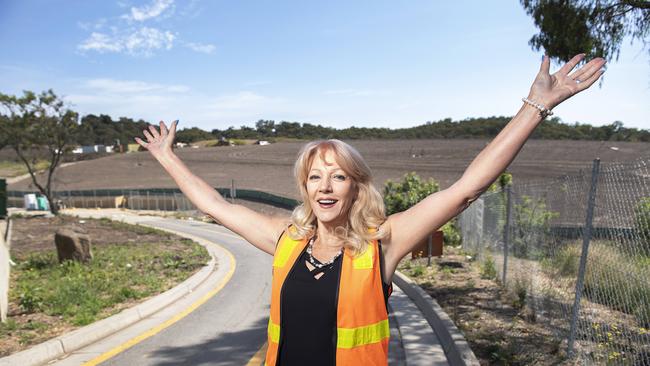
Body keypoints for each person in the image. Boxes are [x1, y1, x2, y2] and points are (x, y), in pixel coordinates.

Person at [135, 54, 605, 366]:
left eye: (338, 176)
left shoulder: (383, 242)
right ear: (304, 187)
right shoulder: (285, 239)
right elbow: (214, 204)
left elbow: (465, 189)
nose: (325, 186)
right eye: (315, 176)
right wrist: (167, 157)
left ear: (356, 187)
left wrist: (535, 107)